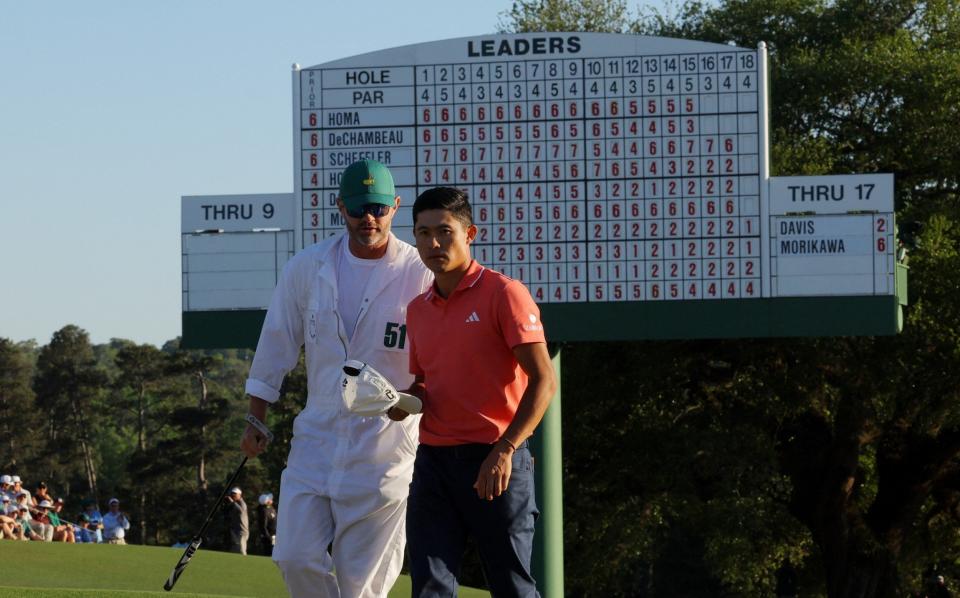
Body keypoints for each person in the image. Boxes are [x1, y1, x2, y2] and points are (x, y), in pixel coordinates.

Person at [240, 159, 432, 598]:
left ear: (396, 207)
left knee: (361, 586)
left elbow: (441, 356)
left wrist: (415, 397)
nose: (370, 218)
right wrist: (256, 418)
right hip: (317, 438)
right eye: (360, 207)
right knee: (294, 557)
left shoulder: (420, 273)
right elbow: (276, 345)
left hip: (386, 448)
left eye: (380, 208)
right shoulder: (307, 268)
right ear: (340, 207)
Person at [398, 187, 558, 597]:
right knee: (429, 587)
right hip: (433, 463)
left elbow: (544, 380)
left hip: (497, 457)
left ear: (470, 234)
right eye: (423, 233)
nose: (434, 243)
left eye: (445, 232)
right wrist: (401, 401)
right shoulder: (417, 310)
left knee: (512, 588)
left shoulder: (505, 293)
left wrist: (505, 449)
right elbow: (425, 384)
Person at [225, 487, 249, 555]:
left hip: (242, 531)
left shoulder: (242, 503)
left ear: (239, 494)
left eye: (235, 494)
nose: (233, 496)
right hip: (236, 530)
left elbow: (241, 511)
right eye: (232, 494)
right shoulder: (235, 503)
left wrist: (232, 502)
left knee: (242, 550)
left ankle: (245, 563)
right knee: (235, 549)